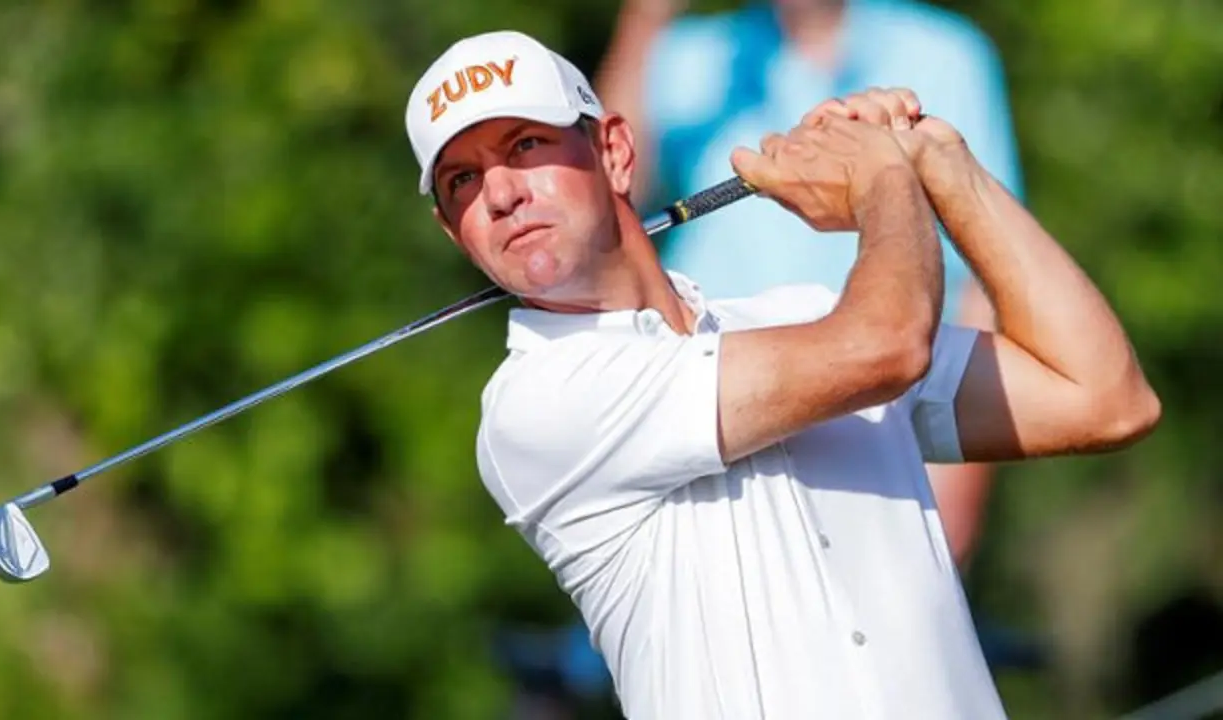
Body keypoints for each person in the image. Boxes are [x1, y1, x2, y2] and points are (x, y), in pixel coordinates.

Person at [404, 29, 1160, 719]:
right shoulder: (535, 406)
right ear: (450, 227)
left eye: (527, 145)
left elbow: (1102, 399)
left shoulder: (800, 315)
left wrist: (941, 164)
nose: (499, 194)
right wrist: (883, 182)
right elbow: (886, 348)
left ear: (615, 154)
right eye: (462, 181)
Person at [595, 0, 1024, 568]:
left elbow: (980, 273)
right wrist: (646, 17)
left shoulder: (947, 53)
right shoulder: (691, 54)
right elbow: (605, 207)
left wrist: (960, 484)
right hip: (724, 435)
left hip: (891, 429)